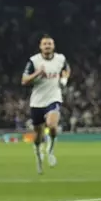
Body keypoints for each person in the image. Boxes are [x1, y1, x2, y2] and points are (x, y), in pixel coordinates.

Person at [21, 35, 70, 174]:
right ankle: (38, 153)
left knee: (52, 125)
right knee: (38, 134)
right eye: (45, 44)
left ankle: (50, 148)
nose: (47, 46)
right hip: (37, 101)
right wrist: (37, 73)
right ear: (40, 47)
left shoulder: (60, 59)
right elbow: (24, 81)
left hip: (53, 97)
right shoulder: (34, 61)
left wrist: (64, 79)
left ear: (53, 46)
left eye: (50, 43)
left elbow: (66, 69)